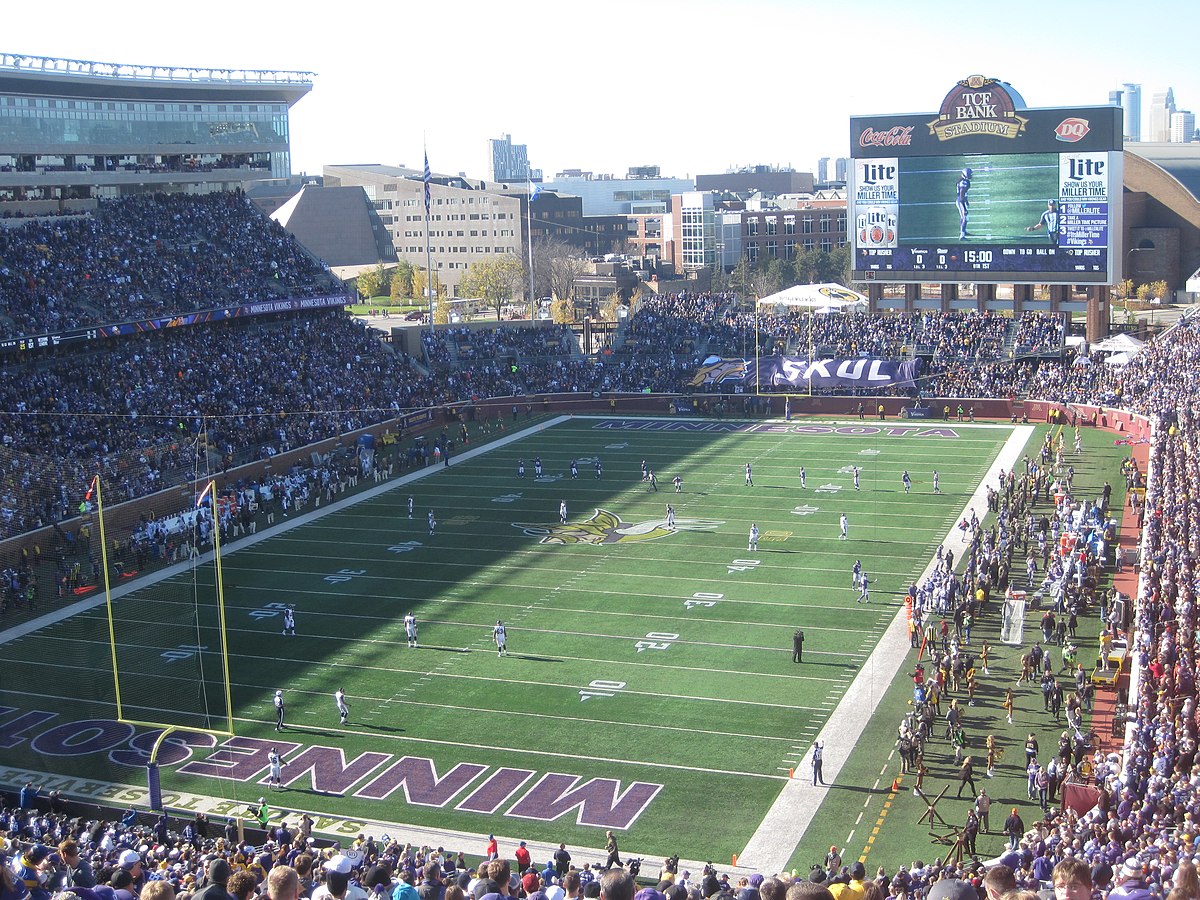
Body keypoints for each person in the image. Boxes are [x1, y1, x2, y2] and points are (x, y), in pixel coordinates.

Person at [956, 167, 972, 240]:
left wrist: (967, 201)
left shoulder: (963, 180)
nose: (971, 175)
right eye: (969, 174)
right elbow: (962, 195)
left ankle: (963, 231)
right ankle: (962, 236)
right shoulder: (964, 182)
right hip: (961, 202)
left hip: (962, 201)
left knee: (963, 217)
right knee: (965, 218)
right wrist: (964, 208)